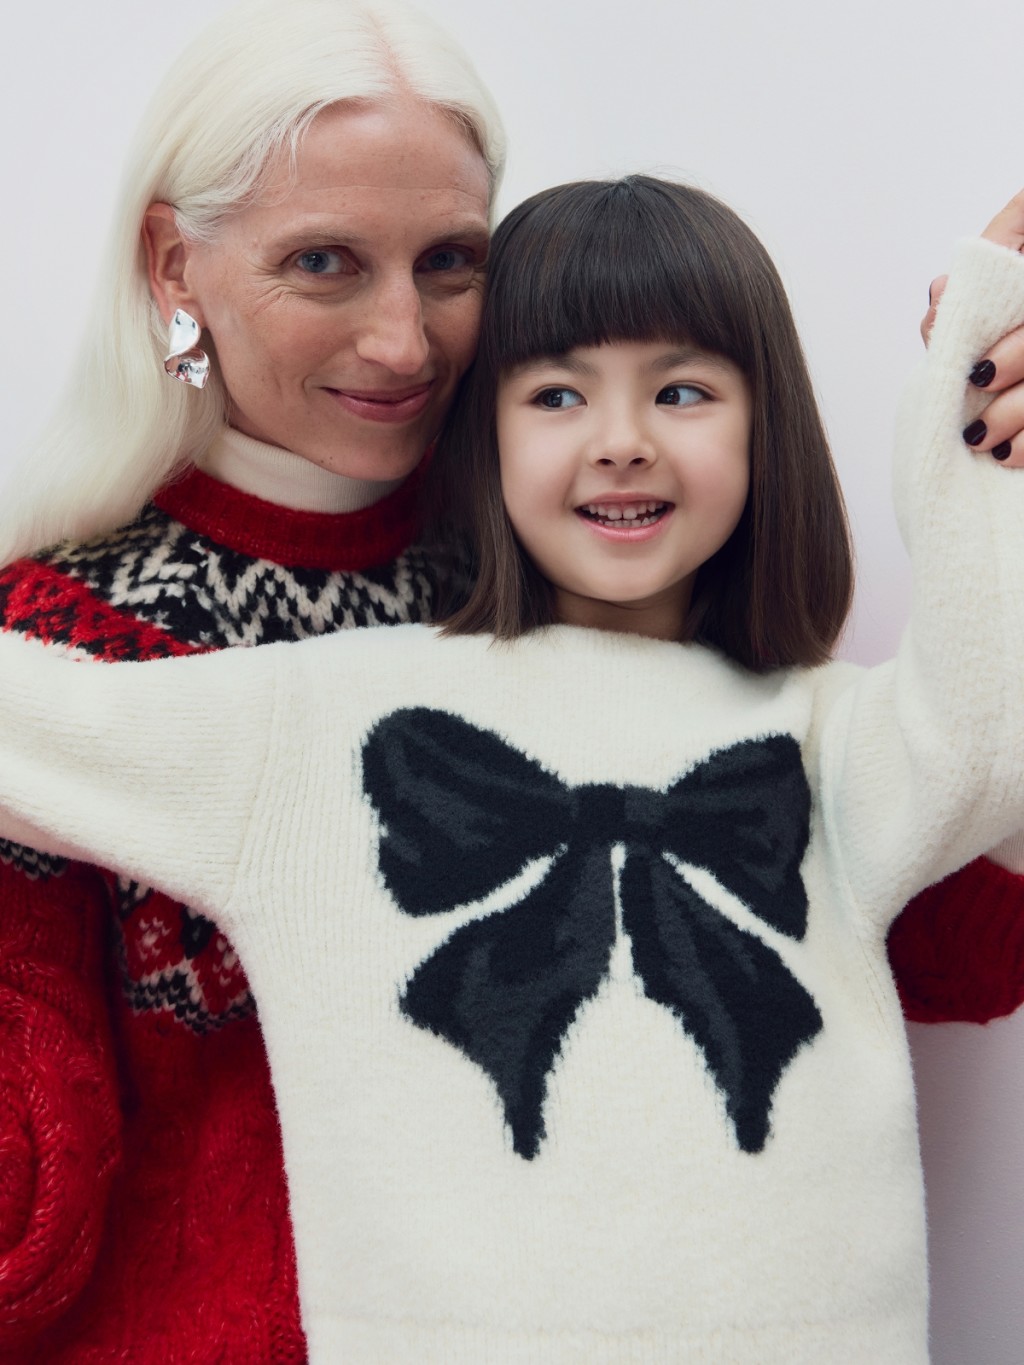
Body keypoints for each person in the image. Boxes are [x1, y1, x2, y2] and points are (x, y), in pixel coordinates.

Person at [1, 174, 1023, 1363]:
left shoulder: (836, 739)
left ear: (766, 428)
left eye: (684, 390)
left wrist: (974, 382)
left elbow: (992, 731)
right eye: (555, 394)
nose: (622, 439)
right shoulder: (323, 717)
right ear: (479, 434)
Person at [0, 0, 503, 1358]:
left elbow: (940, 950)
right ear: (175, 264)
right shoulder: (46, 641)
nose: (406, 342)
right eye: (327, 262)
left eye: (452, 260)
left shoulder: (556, 589)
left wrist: (983, 490)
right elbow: (21, 1247)